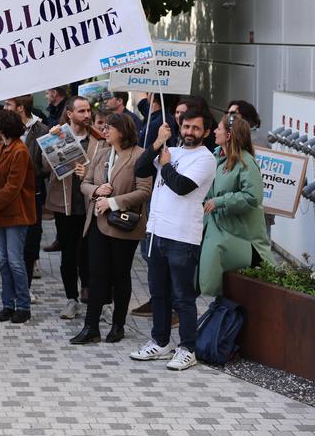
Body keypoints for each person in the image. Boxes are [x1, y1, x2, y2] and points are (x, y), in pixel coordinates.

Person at [130, 108, 216, 371]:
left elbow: (181, 187)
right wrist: (157, 143)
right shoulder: (171, 150)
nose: (189, 132)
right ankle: (160, 341)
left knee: (182, 296)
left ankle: (188, 348)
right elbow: (141, 168)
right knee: (158, 293)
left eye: (195, 128)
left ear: (206, 132)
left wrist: (165, 164)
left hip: (182, 236)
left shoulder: (206, 159)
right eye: (186, 126)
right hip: (157, 232)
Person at [69, 114, 152, 345]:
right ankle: (91, 327)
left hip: (123, 225)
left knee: (120, 276)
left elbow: (145, 191)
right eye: (104, 127)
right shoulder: (102, 153)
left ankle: (118, 325)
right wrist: (96, 190)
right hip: (97, 223)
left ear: (123, 131)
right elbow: (84, 183)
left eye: (110, 127)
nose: (105, 131)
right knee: (95, 276)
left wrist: (113, 202)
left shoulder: (139, 155)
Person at [197, 114, 273, 296]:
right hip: (219, 229)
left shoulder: (246, 162)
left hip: (241, 236)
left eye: (219, 129)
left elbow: (252, 197)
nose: (214, 131)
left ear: (229, 135)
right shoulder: (216, 156)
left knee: (214, 261)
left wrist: (220, 201)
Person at [0, 109, 36, 325]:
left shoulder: (19, 151)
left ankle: (23, 305)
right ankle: (8, 303)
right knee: (4, 261)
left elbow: (13, 187)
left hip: (16, 214)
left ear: (2, 128)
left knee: (14, 261)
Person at [42, 96, 93, 320]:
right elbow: (45, 168)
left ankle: (89, 291)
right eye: (81, 111)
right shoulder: (58, 136)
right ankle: (71, 298)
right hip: (65, 205)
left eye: (88, 110)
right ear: (70, 114)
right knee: (69, 253)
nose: (87, 115)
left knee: (89, 253)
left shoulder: (97, 139)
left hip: (90, 205)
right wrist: (50, 144)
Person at [3, 96, 49, 282]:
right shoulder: (3, 129)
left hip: (32, 193)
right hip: (7, 193)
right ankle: (12, 285)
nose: (5, 107)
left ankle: (26, 284)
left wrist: (28, 172)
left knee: (30, 240)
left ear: (20, 108)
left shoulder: (42, 130)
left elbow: (47, 166)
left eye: (9, 104)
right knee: (10, 243)